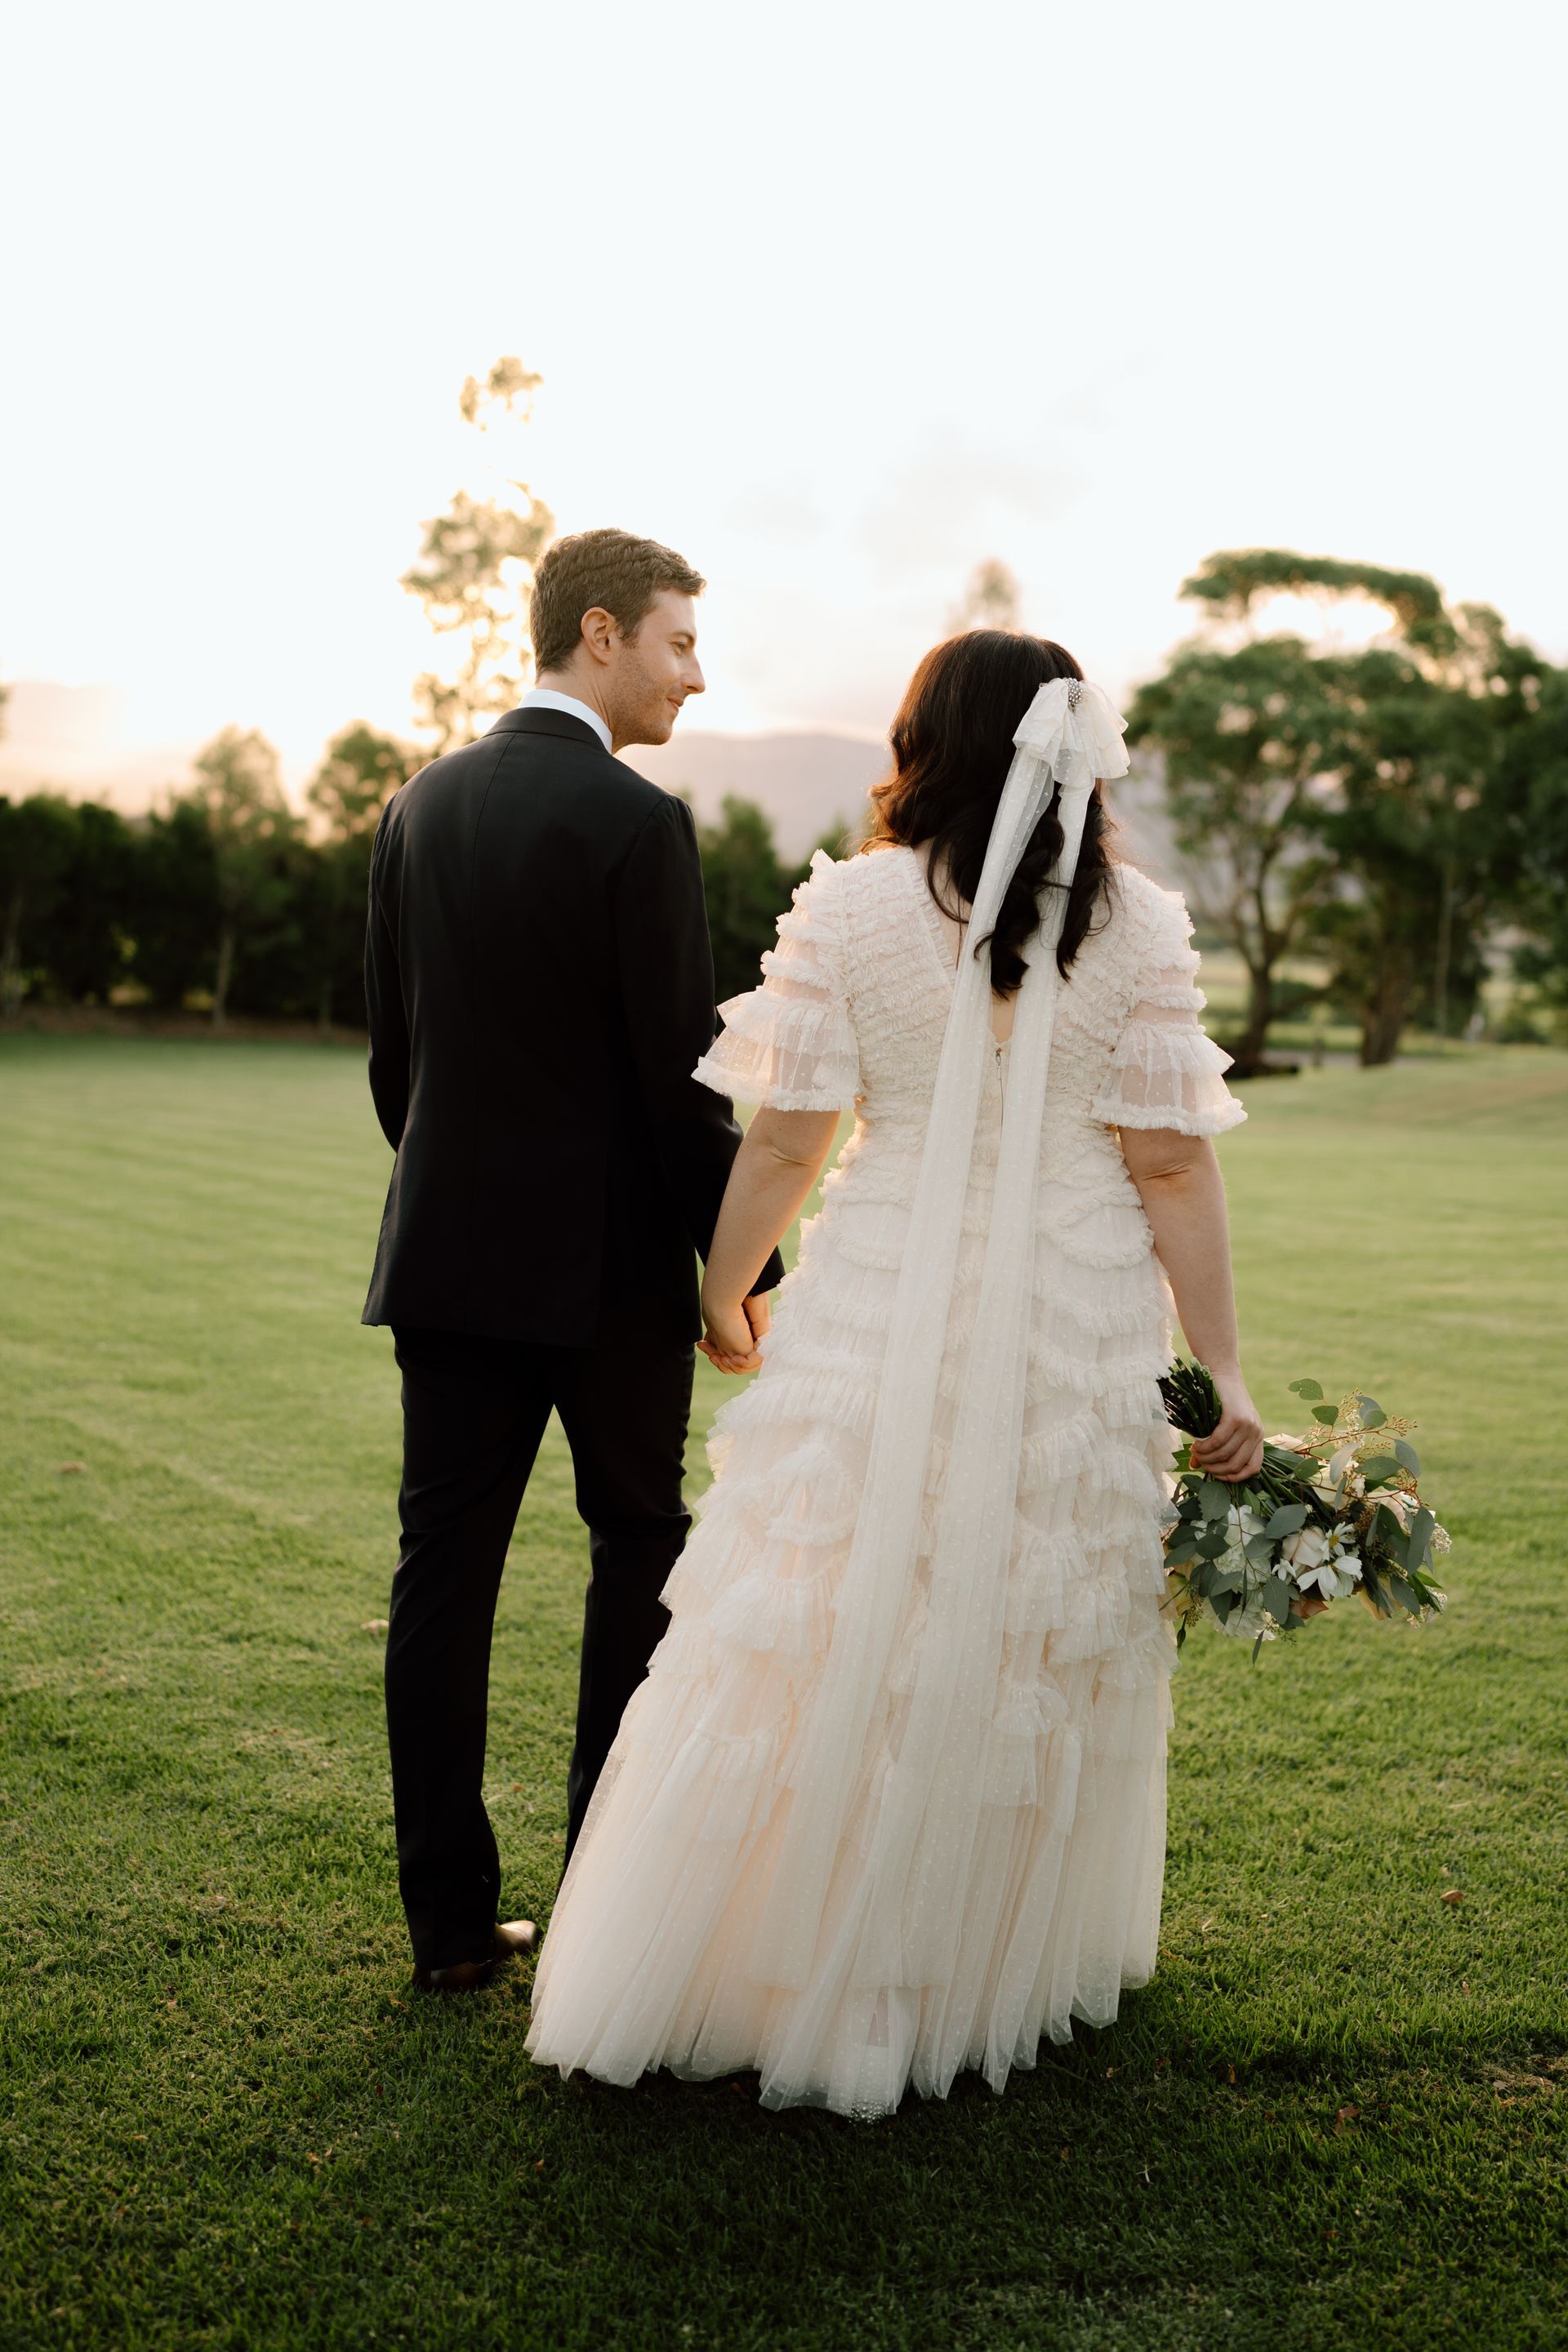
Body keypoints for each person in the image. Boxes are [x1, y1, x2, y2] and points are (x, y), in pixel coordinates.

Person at [527, 628, 1263, 2117]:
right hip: (1076, 1302)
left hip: (871, 1293)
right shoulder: (1138, 928)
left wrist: (725, 1285)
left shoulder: (854, 908)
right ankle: (983, 1955)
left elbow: (793, 1135)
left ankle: (766, 1947)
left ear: (925, 739)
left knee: (828, 1598)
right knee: (1020, 1617)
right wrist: (1225, 1371)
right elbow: (1171, 1163)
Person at [362, 528, 784, 1993]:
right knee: (636, 1554)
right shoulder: (635, 822)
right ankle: (600, 1911)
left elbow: (394, 1074)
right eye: (678, 642)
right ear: (598, 635)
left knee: (444, 1579)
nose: (696, 672)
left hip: (448, 1266)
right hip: (604, 1281)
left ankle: (447, 1932)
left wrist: (464, 1195)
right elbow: (684, 1085)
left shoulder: (415, 806)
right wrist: (749, 1270)